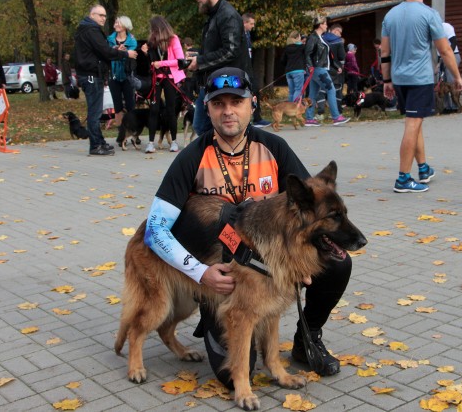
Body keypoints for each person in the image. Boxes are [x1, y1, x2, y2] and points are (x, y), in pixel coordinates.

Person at [144, 66, 352, 386]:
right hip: (219, 275)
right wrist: (201, 274)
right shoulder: (191, 157)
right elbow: (155, 229)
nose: (228, 111)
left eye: (236, 102)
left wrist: (305, 260)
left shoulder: (274, 147)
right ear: (208, 108)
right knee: (233, 377)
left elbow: (312, 203)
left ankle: (307, 340)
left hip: (265, 265)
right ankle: (209, 312)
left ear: (252, 104)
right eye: (218, 103)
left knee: (338, 264)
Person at [381, 0, 462, 193]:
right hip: (419, 79)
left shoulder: (390, 15)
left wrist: (386, 81)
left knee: (415, 121)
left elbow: (384, 52)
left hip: (399, 78)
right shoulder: (429, 14)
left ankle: (424, 169)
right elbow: (445, 50)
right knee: (413, 124)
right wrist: (457, 77)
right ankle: (403, 178)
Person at [74, 4, 137, 156]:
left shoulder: (87, 29)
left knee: (95, 110)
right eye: (100, 15)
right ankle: (95, 146)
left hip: (91, 74)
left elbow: (100, 51)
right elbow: (104, 51)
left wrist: (114, 51)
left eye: (104, 16)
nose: (104, 18)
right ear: (92, 15)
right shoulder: (91, 30)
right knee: (95, 113)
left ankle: (99, 141)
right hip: (91, 75)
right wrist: (125, 54)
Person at [186, 0, 252, 136]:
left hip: (228, 84)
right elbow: (219, 50)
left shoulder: (227, 15)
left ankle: (227, 157)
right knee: (204, 128)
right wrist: (196, 57)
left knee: (223, 131)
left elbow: (230, 51)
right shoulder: (215, 16)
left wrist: (200, 62)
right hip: (215, 83)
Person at [141, 15, 186, 153]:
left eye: (153, 29)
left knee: (170, 109)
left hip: (170, 77)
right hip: (157, 78)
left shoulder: (173, 40)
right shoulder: (152, 42)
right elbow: (150, 64)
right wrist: (146, 54)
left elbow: (180, 60)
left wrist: (162, 63)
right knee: (154, 109)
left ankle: (173, 141)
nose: (152, 32)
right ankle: (150, 143)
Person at [303, 16, 350, 127]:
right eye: (325, 24)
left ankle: (309, 119)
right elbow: (307, 53)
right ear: (320, 25)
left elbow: (327, 55)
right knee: (331, 90)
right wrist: (310, 67)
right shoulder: (313, 37)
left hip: (320, 68)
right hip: (317, 68)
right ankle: (336, 117)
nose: (326, 26)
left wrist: (335, 65)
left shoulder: (320, 37)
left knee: (313, 94)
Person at [107, 15, 137, 128]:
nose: (116, 25)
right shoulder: (109, 40)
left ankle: (134, 131)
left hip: (127, 76)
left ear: (125, 25)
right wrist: (118, 52)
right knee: (117, 105)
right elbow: (107, 55)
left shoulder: (132, 41)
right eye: (115, 23)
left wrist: (123, 53)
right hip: (113, 76)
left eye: (118, 23)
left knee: (130, 105)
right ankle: (121, 132)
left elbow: (132, 56)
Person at [242, 12, 271, 128]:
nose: (253, 26)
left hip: (249, 69)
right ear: (244, 23)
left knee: (255, 91)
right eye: (251, 23)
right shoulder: (239, 35)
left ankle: (257, 118)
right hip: (242, 69)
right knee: (245, 94)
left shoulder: (247, 35)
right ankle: (246, 120)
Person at [322, 23, 345, 116]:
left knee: (321, 90)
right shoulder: (338, 41)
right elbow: (342, 56)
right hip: (335, 68)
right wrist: (341, 66)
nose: (340, 35)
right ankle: (338, 112)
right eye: (340, 32)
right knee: (337, 90)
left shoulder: (321, 38)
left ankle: (320, 112)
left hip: (322, 68)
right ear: (335, 31)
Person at [437, 22, 461, 113]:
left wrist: (448, 57)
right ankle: (447, 107)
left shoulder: (446, 27)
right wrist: (439, 61)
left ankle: (455, 106)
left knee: (451, 82)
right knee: (442, 83)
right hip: (441, 57)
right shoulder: (432, 29)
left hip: (452, 55)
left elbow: (454, 41)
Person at [280, 30, 306, 102]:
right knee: (298, 90)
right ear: (297, 37)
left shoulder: (287, 48)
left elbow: (282, 60)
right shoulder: (301, 47)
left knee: (291, 92)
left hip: (288, 71)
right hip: (298, 71)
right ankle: (295, 108)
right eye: (300, 37)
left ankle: (290, 109)